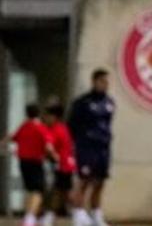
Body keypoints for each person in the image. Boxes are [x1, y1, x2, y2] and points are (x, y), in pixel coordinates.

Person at [0, 103, 55, 226]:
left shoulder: (24, 126)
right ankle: (30, 218)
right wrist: (54, 156)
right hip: (35, 161)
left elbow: (11, 137)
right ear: (39, 113)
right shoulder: (40, 127)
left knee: (30, 190)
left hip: (23, 162)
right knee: (38, 191)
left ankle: (31, 216)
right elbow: (48, 146)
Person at [69, 69, 115, 226]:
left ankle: (96, 214)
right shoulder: (82, 102)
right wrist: (79, 142)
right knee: (84, 180)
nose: (106, 84)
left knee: (100, 181)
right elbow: (71, 125)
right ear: (95, 81)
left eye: (107, 82)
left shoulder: (109, 102)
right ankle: (78, 213)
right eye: (103, 81)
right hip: (87, 148)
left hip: (103, 148)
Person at [42, 101, 77, 226]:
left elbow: (49, 146)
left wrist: (51, 155)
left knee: (62, 192)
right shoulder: (63, 128)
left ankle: (79, 214)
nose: (45, 119)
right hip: (65, 164)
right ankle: (51, 216)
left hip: (62, 166)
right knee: (61, 192)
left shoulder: (56, 129)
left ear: (54, 117)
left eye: (47, 116)